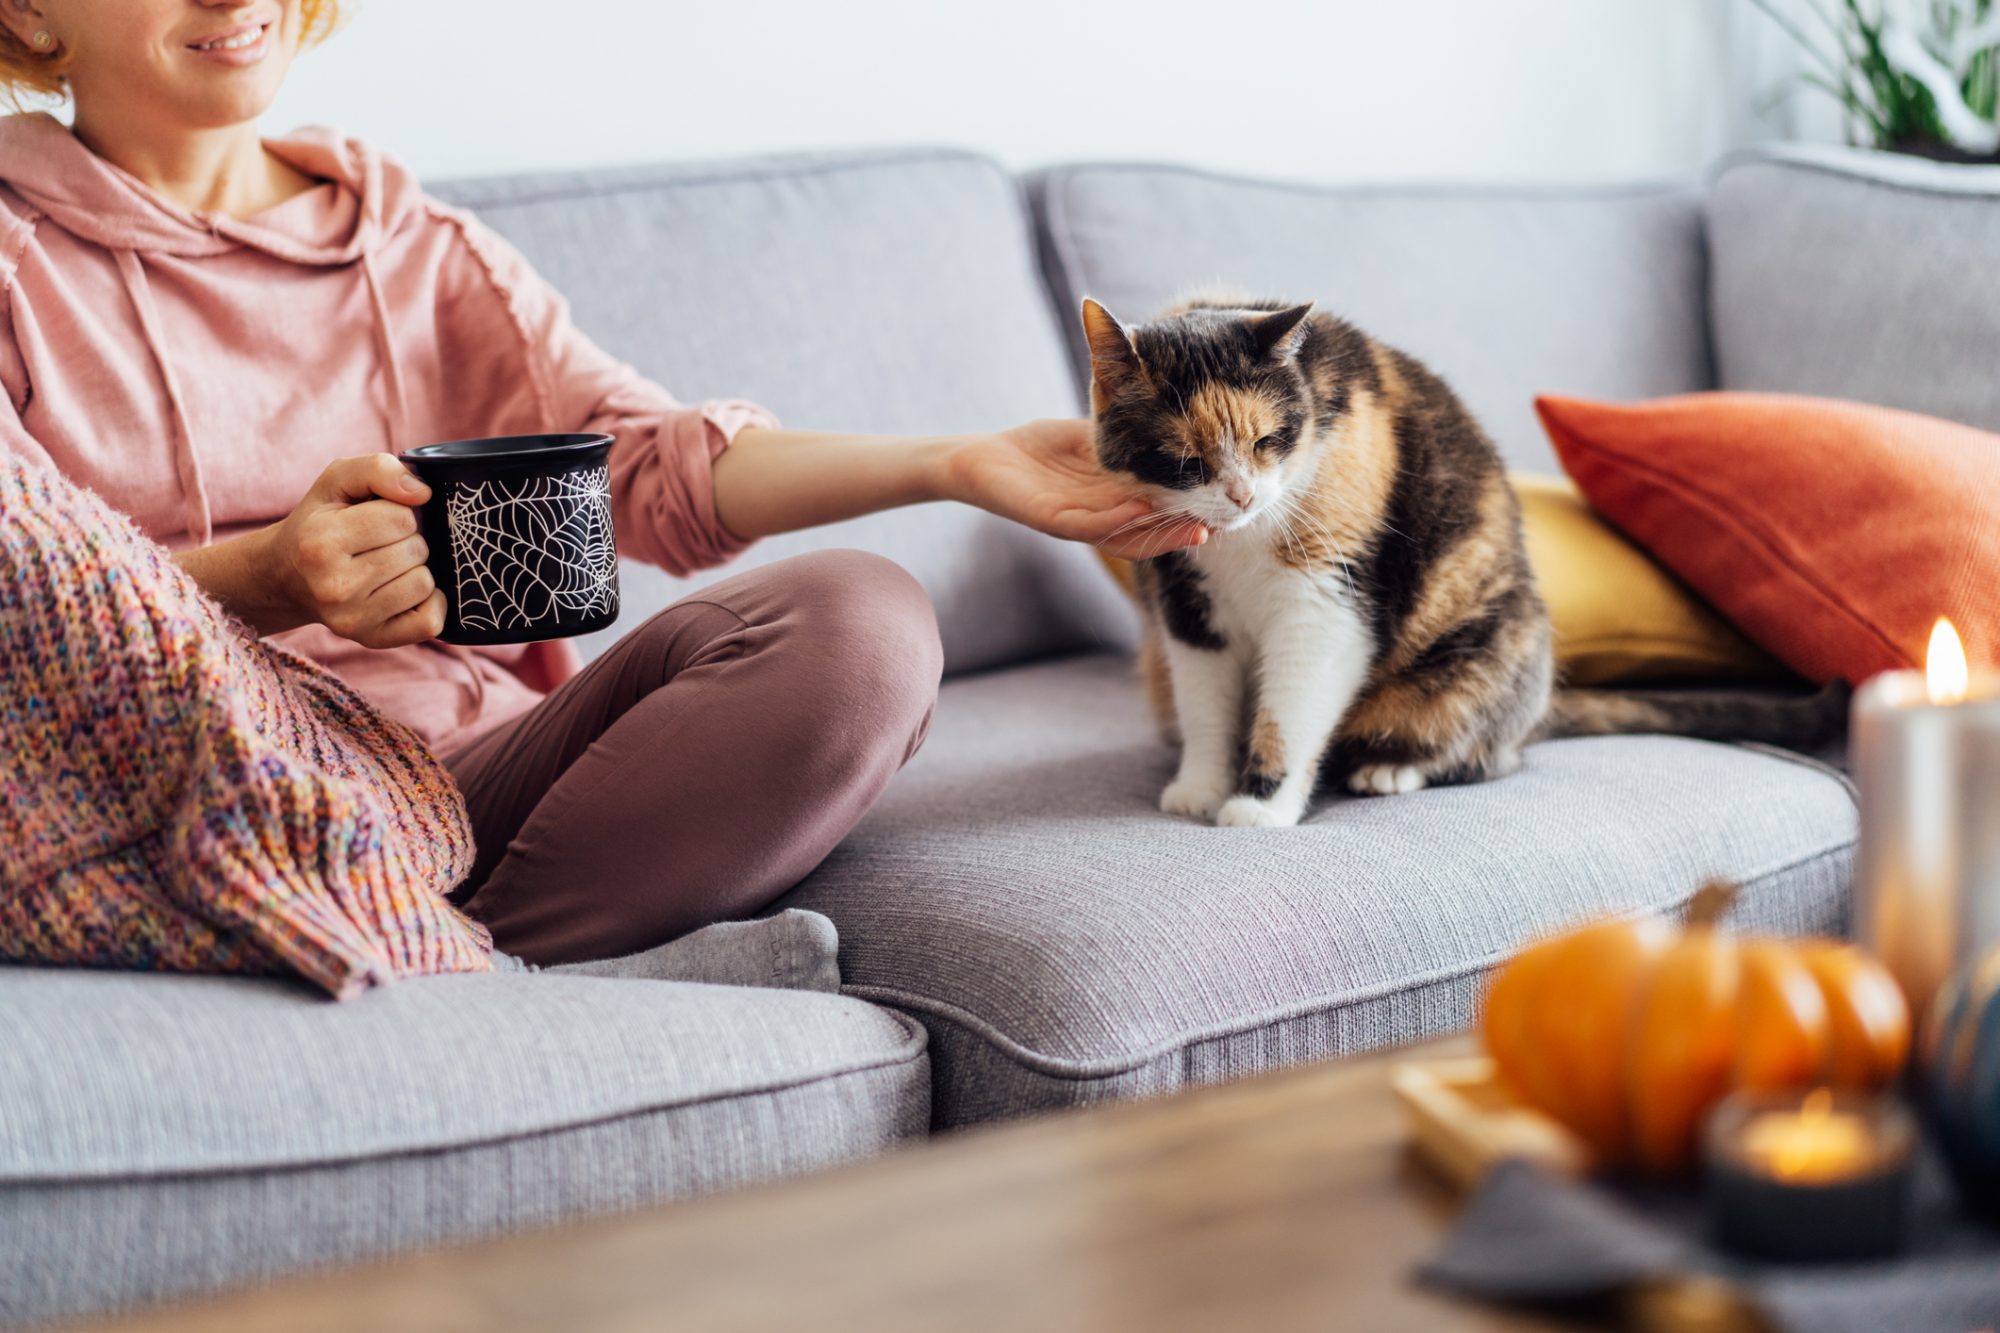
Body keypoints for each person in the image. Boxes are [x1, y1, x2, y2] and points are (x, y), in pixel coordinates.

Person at [0, 0, 1204, 964]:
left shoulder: (419, 248)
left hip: (460, 781)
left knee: (861, 626)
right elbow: (24, 604)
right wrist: (263, 579)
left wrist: (953, 463)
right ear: (31, 13)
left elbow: (648, 469)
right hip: (173, 792)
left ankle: (434, 946)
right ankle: (449, 959)